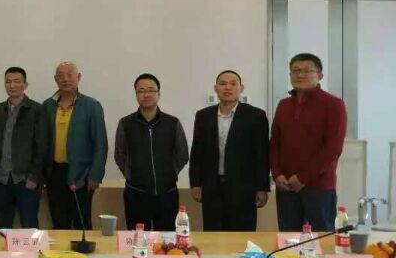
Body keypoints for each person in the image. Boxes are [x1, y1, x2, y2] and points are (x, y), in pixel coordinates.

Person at [270, 53, 347, 232]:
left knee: (321, 239)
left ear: (320, 76)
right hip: (286, 186)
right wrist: (276, 174)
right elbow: (274, 143)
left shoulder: (334, 104)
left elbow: (333, 148)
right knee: (288, 239)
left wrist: (303, 178)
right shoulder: (284, 105)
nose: (300, 75)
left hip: (319, 187)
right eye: (295, 70)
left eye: (306, 70)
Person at [189, 70, 270, 231]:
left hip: (243, 188)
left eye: (233, 84)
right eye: (223, 84)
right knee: (212, 233)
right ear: (216, 88)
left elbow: (262, 154)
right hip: (211, 187)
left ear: (241, 88)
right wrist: (195, 183)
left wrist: (262, 187)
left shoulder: (255, 116)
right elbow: (197, 151)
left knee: (242, 234)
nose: (227, 87)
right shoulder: (203, 116)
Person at [114, 73, 189, 231]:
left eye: (150, 90)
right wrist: (131, 175)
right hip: (136, 193)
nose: (146, 94)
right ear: (136, 94)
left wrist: (170, 173)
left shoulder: (172, 123)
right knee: (137, 238)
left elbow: (182, 153)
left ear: (158, 93)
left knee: (167, 238)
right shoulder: (126, 123)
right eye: (141, 91)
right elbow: (120, 155)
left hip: (167, 193)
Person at [41, 62, 107, 231]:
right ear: (55, 79)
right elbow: (42, 142)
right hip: (54, 173)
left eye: (69, 75)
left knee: (81, 223)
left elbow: (100, 143)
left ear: (79, 77)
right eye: (61, 76)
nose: (65, 79)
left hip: (81, 174)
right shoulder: (47, 106)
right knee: (59, 222)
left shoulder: (91, 106)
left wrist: (95, 175)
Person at [0, 67, 46, 229]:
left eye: (16, 81)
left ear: (25, 85)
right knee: (2, 227)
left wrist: (33, 177)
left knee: (29, 226)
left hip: (26, 180)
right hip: (1, 179)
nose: (12, 85)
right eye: (8, 82)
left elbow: (41, 146)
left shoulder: (36, 110)